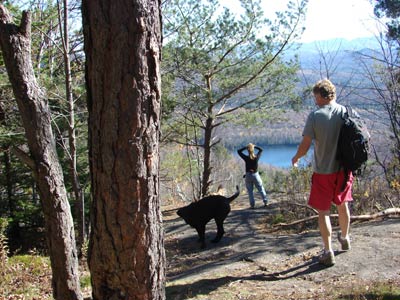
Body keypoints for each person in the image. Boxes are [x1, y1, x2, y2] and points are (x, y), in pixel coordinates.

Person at [291, 79, 353, 267]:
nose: (314, 100)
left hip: (323, 172)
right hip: (343, 169)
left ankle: (328, 252)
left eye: (315, 96)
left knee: (323, 212)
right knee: (342, 205)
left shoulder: (315, 116)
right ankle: (345, 238)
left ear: (320, 95)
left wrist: (296, 158)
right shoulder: (345, 111)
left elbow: (305, 144)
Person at [238, 143, 268, 208]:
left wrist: (246, 147)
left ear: (248, 150)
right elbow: (261, 150)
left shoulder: (246, 158)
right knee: (261, 189)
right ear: (253, 150)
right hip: (255, 175)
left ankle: (252, 205)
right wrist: (255, 146)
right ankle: (265, 202)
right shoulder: (256, 157)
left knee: (250, 191)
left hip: (248, 176)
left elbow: (239, 151)